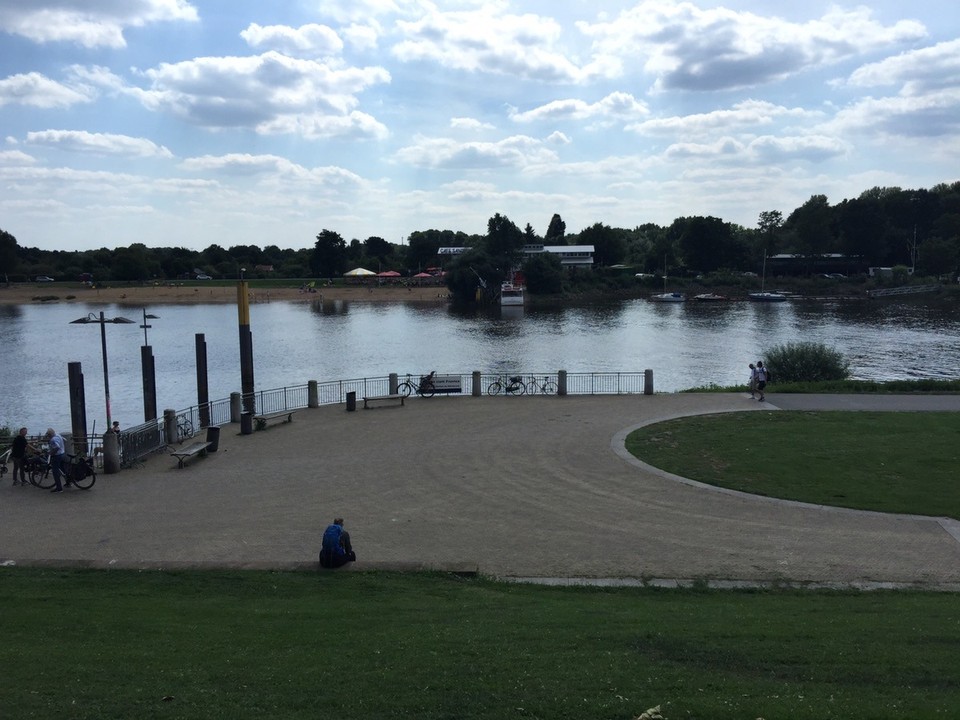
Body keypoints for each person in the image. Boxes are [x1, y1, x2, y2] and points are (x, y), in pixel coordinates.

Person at [46, 428, 68, 493]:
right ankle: (68, 482)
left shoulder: (53, 439)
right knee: (63, 469)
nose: (48, 436)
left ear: (49, 434)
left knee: (55, 472)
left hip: (57, 456)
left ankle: (59, 488)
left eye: (48, 435)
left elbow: (57, 447)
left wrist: (52, 452)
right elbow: (65, 440)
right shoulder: (58, 435)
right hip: (62, 454)